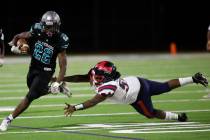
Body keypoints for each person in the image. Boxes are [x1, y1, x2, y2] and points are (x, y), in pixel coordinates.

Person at [63, 61, 208, 122]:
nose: (92, 77)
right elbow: (79, 77)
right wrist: (58, 78)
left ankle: (179, 118)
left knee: (150, 114)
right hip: (136, 81)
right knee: (164, 87)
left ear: (103, 77)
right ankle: (194, 78)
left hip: (137, 96)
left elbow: (94, 101)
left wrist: (75, 107)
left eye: (96, 75)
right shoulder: (107, 81)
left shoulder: (108, 87)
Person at [0, 11, 71, 131]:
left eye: (51, 27)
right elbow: (23, 36)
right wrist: (17, 43)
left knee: (31, 95)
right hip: (33, 66)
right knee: (34, 90)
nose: (48, 29)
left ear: (57, 26)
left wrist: (57, 81)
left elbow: (63, 65)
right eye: (47, 26)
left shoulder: (61, 39)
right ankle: (57, 89)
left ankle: (8, 119)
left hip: (46, 71)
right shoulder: (37, 28)